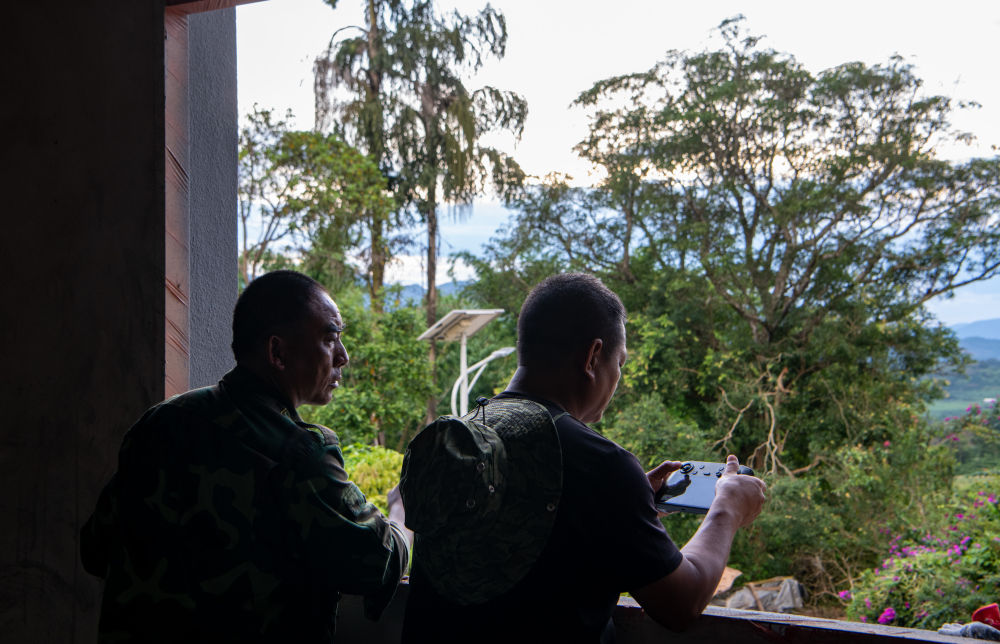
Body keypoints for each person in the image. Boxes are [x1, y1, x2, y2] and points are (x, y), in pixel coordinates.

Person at [400, 273, 767, 643]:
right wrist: (727, 508)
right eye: (619, 362)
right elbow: (680, 604)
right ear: (593, 357)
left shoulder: (458, 439)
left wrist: (629, 506)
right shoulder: (599, 464)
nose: (618, 376)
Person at [81, 270, 409, 644]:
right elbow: (378, 562)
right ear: (277, 353)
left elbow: (94, 550)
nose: (343, 357)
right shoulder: (297, 453)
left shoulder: (160, 423)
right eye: (329, 338)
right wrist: (400, 515)